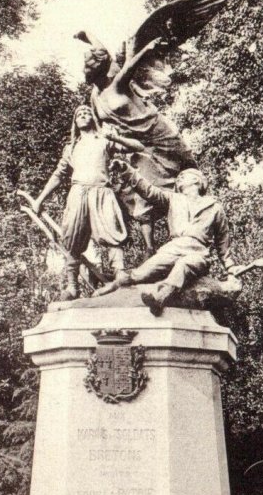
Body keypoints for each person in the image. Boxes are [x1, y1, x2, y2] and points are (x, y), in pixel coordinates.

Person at [79, 34, 198, 256]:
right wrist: (88, 36)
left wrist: (148, 48)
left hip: (158, 132)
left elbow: (130, 66)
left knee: (187, 173)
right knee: (140, 188)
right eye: (86, 69)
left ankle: (195, 228)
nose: (86, 72)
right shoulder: (96, 95)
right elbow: (101, 51)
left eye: (90, 69)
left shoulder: (117, 85)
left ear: (100, 70)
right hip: (137, 143)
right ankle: (149, 247)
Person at [32, 104, 144, 300]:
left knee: (112, 233)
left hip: (102, 192)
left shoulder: (103, 141)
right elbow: (59, 174)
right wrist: (40, 199)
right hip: (78, 193)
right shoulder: (72, 147)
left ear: (93, 118)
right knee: (72, 239)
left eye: (87, 113)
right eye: (79, 114)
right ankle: (72, 286)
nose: (83, 115)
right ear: (75, 122)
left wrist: (114, 137)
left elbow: (138, 146)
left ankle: (120, 274)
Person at [97, 165, 238, 315]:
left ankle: (160, 297)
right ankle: (113, 286)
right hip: (173, 248)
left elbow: (223, 242)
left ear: (197, 180)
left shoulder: (215, 207)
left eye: (185, 175)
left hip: (198, 252)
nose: (180, 177)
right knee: (141, 274)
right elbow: (149, 191)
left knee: (184, 265)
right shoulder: (173, 199)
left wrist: (230, 267)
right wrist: (127, 170)